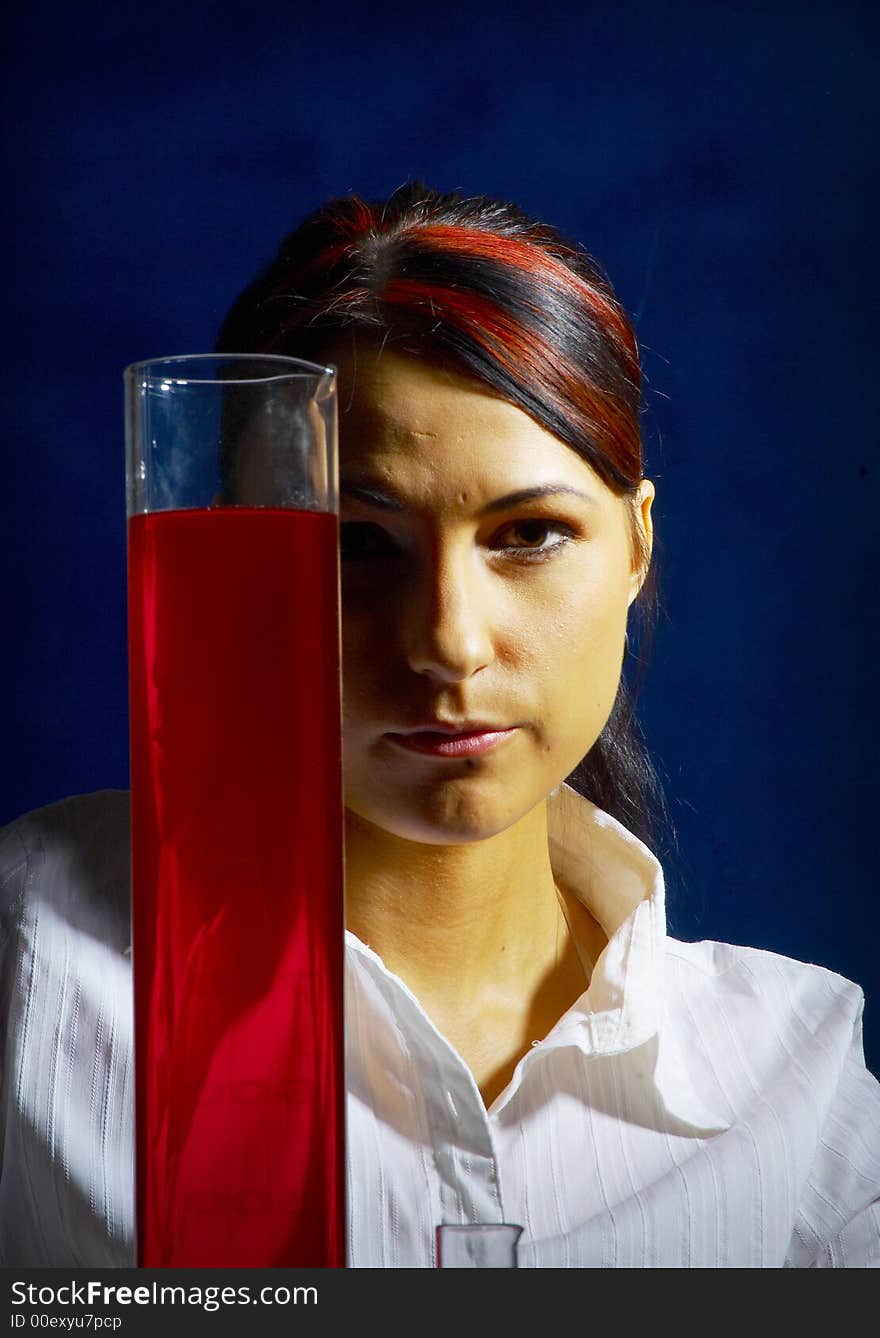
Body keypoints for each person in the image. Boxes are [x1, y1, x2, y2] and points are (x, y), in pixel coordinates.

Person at [2, 183, 878, 1268]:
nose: (449, 643)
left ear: (637, 547)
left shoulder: (794, 1088)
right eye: (359, 547)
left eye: (529, 534)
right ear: (238, 562)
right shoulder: (28, 966)